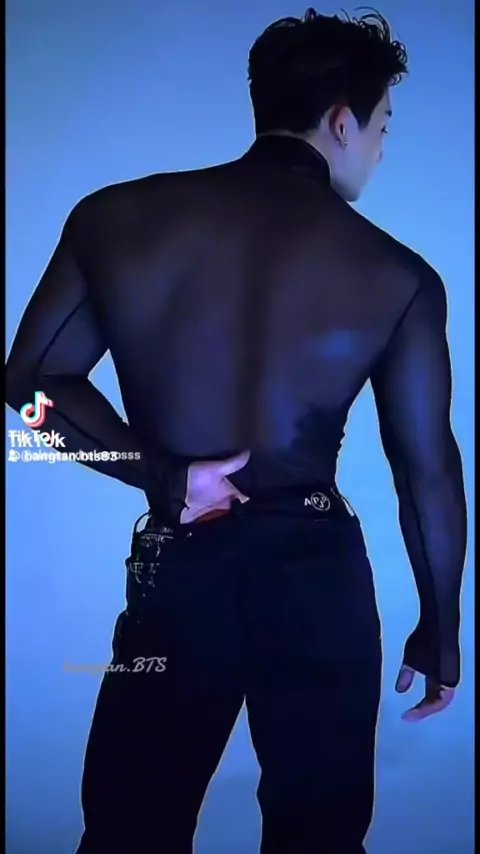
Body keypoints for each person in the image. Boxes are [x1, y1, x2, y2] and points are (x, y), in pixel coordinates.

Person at [5, 8, 467, 854]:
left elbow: (26, 389)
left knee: (128, 834)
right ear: (342, 122)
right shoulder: (399, 277)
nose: (379, 150)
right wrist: (440, 625)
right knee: (320, 840)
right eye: (382, 128)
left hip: (179, 571)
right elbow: (425, 471)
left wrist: (161, 475)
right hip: (317, 584)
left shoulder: (113, 219)